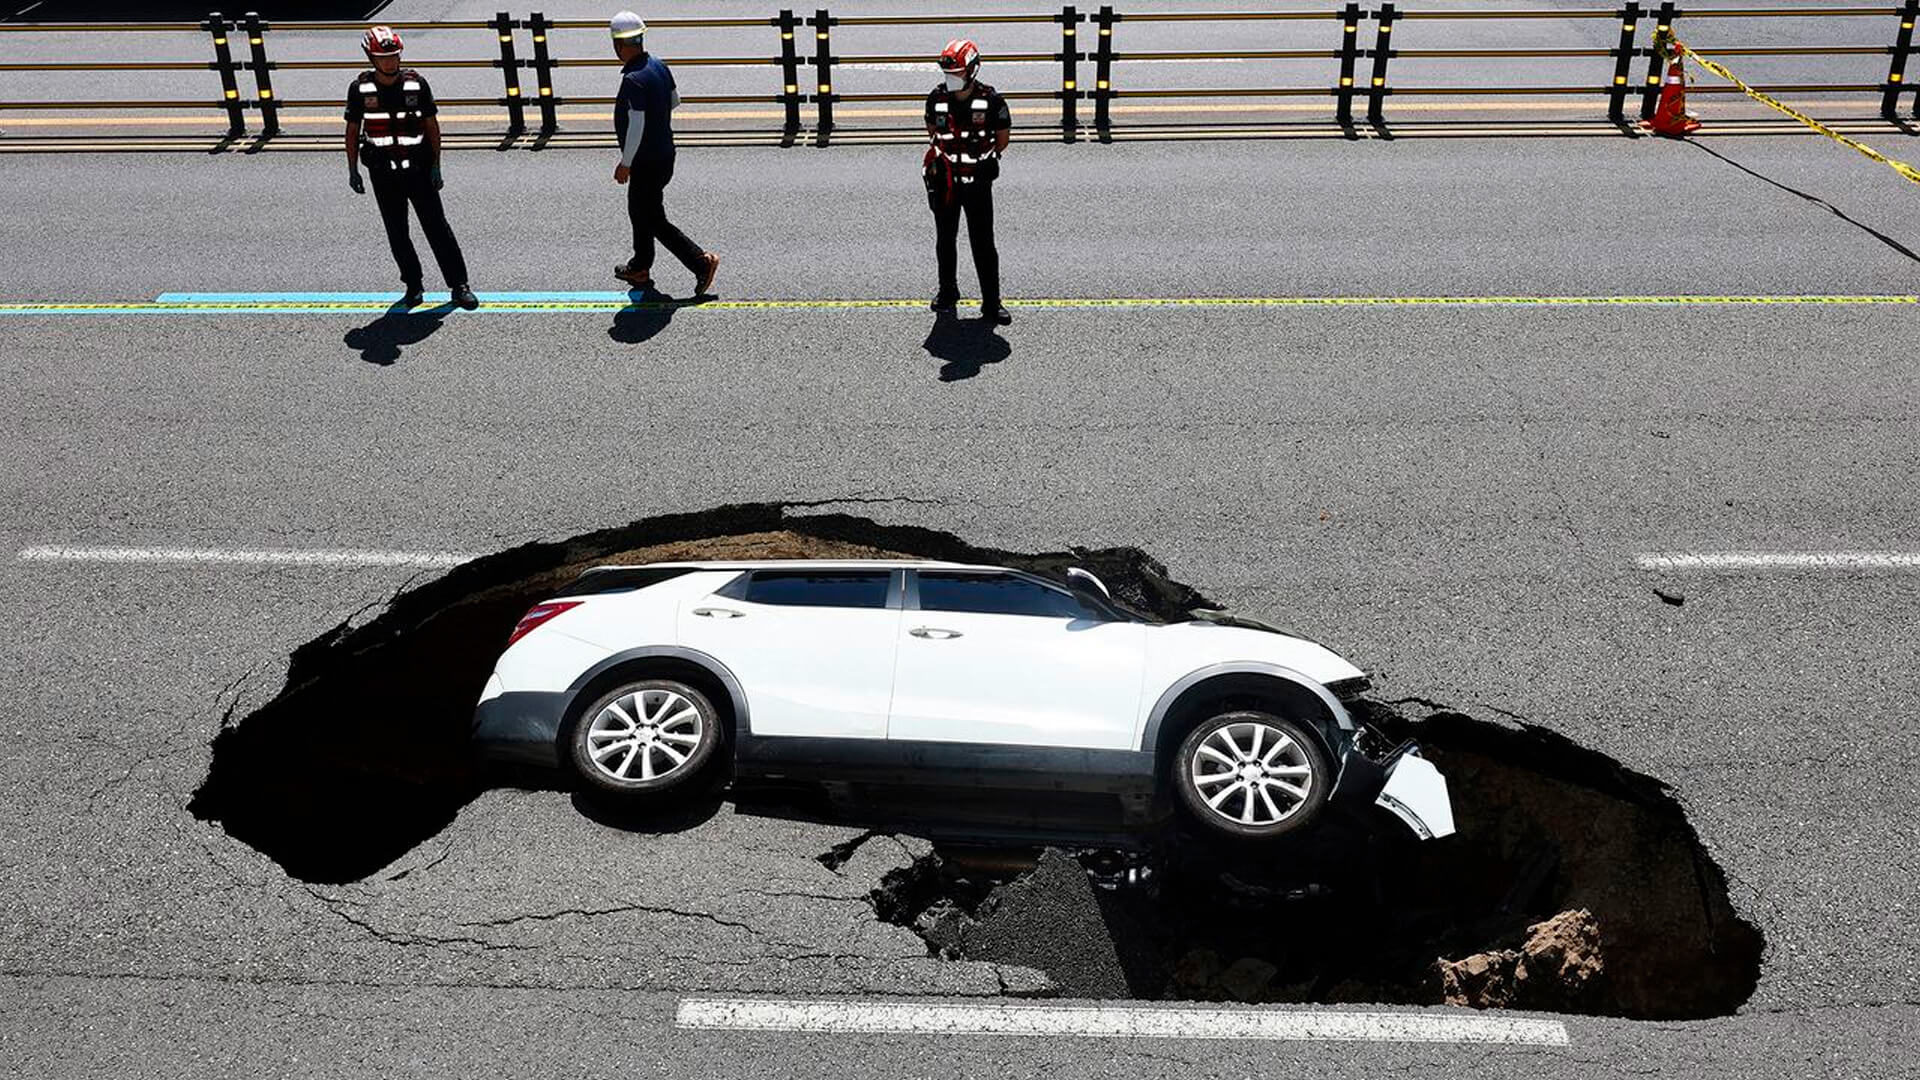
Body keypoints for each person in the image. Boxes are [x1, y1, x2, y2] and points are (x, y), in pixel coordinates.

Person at [344, 26, 476, 310]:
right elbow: (353, 130)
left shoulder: (416, 84)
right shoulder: (360, 89)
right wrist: (352, 168)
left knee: (437, 226)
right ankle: (413, 286)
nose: (390, 62)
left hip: (418, 168)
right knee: (397, 231)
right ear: (371, 57)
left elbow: (431, 125)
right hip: (382, 172)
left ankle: (459, 285)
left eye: (394, 55)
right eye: (384, 57)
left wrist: (437, 165)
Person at [610, 11, 720, 295]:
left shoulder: (633, 79)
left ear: (618, 45)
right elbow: (674, 101)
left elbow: (636, 124)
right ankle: (640, 265)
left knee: (651, 217)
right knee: (641, 210)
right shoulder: (659, 66)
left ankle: (700, 262)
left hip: (646, 160)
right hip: (664, 154)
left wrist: (626, 162)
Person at [924, 38, 1012, 325]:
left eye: (957, 73)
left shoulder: (992, 101)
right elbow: (932, 134)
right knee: (945, 240)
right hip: (947, 183)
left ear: (972, 71)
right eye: (948, 74)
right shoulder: (935, 99)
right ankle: (947, 292)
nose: (951, 79)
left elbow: (1002, 141)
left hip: (977, 185)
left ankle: (991, 303)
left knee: (983, 242)